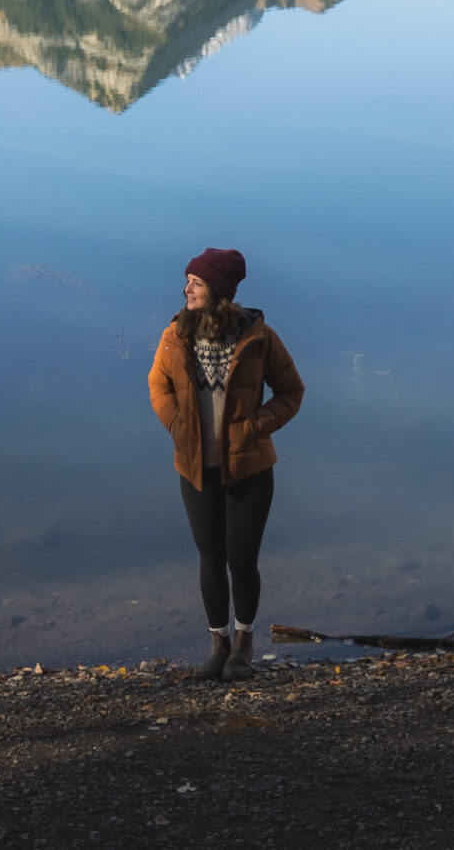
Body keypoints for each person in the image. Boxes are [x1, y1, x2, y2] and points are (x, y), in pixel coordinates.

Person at [148, 246, 304, 681]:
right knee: (210, 558)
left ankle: (244, 642)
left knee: (242, 559)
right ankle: (217, 645)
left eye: (195, 283)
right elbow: (157, 386)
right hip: (196, 469)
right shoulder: (175, 335)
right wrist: (178, 426)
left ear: (217, 290)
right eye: (188, 281)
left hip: (249, 468)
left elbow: (292, 391)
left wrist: (256, 427)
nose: (186, 289)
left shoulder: (257, 336)